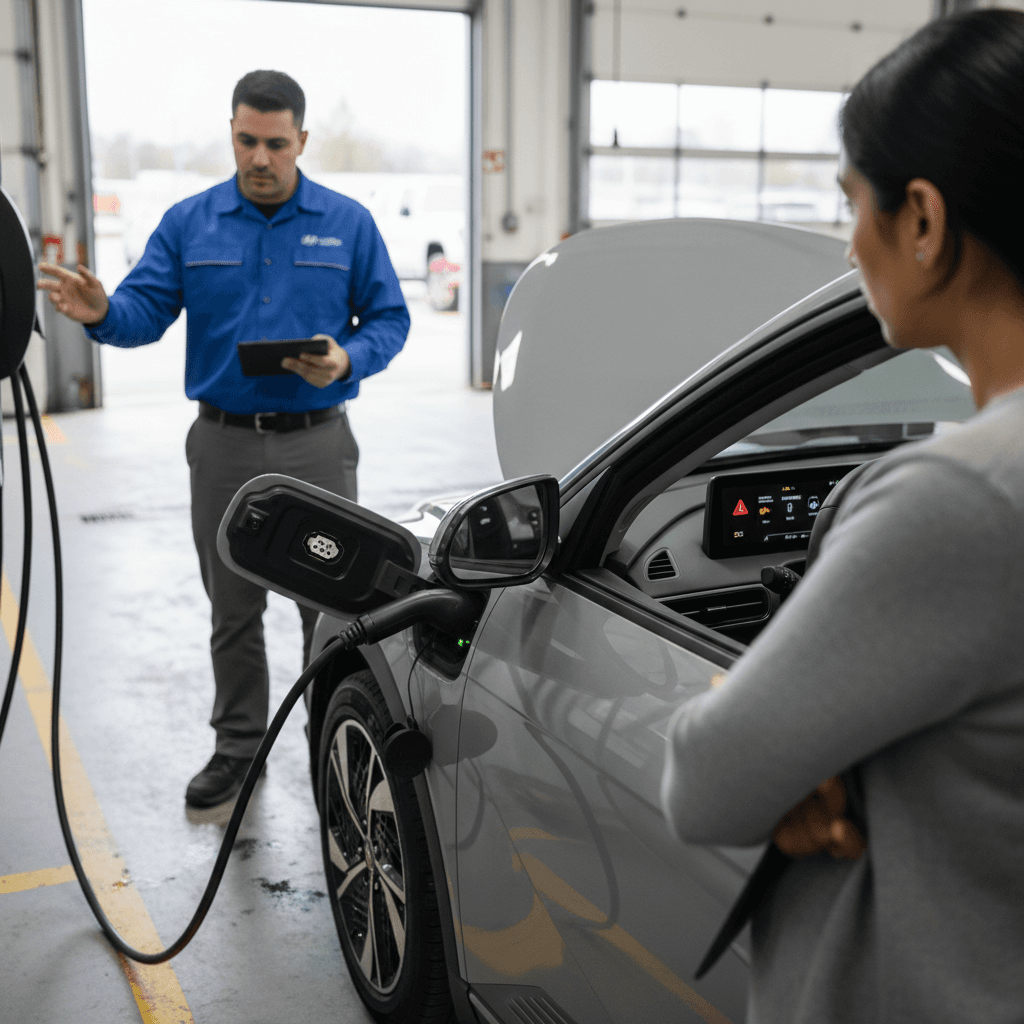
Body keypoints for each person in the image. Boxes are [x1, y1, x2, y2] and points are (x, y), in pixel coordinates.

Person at [661, 10, 1024, 1023]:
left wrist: (776, 712)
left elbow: (708, 780)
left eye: (850, 202)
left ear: (921, 219)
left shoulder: (961, 496)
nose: (849, 241)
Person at [38, 70, 410, 808]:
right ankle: (239, 749)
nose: (260, 157)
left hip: (318, 442)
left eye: (276, 143)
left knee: (329, 609)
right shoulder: (189, 223)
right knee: (232, 605)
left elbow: (391, 320)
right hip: (223, 447)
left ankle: (330, 745)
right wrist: (101, 311)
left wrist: (347, 358)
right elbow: (144, 311)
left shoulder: (348, 222)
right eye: (247, 141)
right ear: (232, 135)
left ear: (302, 140)